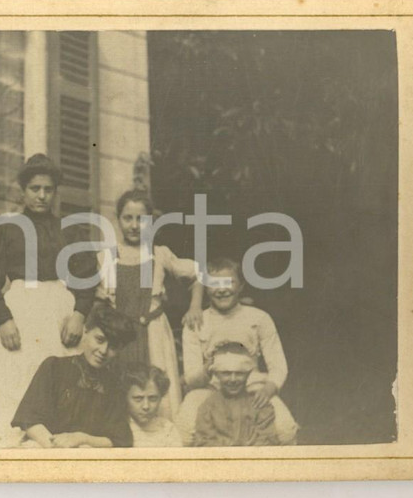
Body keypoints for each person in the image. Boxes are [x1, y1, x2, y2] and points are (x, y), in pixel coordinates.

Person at [0, 153, 98, 449]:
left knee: (61, 384)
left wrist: (79, 314)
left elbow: (88, 276)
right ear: (22, 191)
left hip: (58, 314)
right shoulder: (6, 229)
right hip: (20, 313)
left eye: (48, 189)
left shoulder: (70, 230)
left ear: (55, 192)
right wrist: (3, 320)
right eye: (35, 188)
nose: (42, 196)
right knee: (14, 384)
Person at [94, 189, 204, 419]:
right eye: (127, 218)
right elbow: (93, 296)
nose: (134, 225)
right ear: (118, 219)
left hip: (153, 335)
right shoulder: (104, 256)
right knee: (118, 395)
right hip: (118, 338)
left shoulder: (160, 254)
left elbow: (198, 275)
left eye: (141, 219)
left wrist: (195, 306)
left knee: (158, 396)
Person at [177, 257, 298, 445]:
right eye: (214, 284)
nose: (222, 289)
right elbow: (192, 378)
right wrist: (208, 369)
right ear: (206, 289)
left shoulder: (259, 318)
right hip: (211, 389)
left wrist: (269, 388)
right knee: (184, 430)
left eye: (229, 282)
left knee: (285, 430)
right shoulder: (196, 323)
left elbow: (278, 365)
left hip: (252, 387)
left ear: (241, 286)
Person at [11, 302, 137, 448]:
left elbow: (120, 440)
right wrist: (58, 450)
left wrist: (83, 438)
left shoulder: (114, 384)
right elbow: (30, 420)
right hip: (47, 447)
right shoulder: (54, 368)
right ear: (86, 331)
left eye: (113, 346)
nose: (103, 351)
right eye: (100, 340)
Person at [193, 342, 281, 447]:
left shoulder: (260, 406)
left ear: (248, 374)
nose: (233, 379)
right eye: (226, 373)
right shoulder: (208, 407)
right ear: (217, 374)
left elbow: (267, 442)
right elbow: (204, 444)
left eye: (239, 373)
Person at [122, 362, 183, 447]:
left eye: (153, 398)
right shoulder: (119, 429)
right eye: (138, 399)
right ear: (125, 398)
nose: (146, 406)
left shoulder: (168, 430)